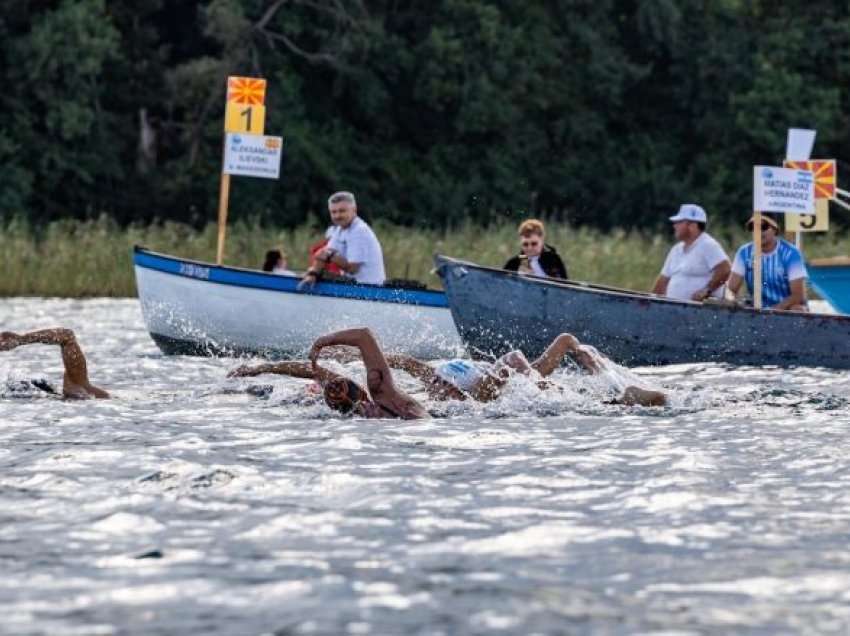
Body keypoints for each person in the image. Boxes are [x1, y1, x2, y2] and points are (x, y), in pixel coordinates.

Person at [229, 330, 666, 410]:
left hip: (497, 378)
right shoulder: (391, 391)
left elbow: (398, 359)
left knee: (557, 345)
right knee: (518, 361)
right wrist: (260, 369)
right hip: (490, 384)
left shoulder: (388, 375)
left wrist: (257, 366)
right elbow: (310, 374)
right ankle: (615, 398)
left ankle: (608, 389)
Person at [230, 327, 427, 419]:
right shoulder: (376, 398)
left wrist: (323, 341)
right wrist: (260, 368)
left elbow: (364, 335)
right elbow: (312, 371)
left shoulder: (395, 403)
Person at [300, 191, 386, 287]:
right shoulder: (340, 229)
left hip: (368, 290)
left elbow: (353, 269)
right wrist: (313, 274)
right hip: (353, 287)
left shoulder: (359, 231)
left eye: (342, 211)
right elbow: (323, 254)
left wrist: (330, 255)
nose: (337, 216)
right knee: (314, 274)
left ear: (354, 210)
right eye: (333, 212)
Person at [727, 213, 808, 311]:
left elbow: (798, 296)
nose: (758, 232)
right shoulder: (744, 252)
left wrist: (771, 312)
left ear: (775, 229)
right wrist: (731, 301)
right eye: (754, 227)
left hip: (785, 309)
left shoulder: (791, 253)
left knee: (797, 309)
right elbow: (731, 289)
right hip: (756, 310)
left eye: (763, 227)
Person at [652, 204, 731, 302]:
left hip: (699, 312)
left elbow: (725, 269)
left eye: (679, 222)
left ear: (693, 226)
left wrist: (706, 290)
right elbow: (663, 280)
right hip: (675, 310)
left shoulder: (708, 245)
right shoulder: (676, 249)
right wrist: (649, 303)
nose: (674, 225)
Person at [0, 329, 109, 399]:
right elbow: (67, 337)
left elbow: (66, 336)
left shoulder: (79, 389)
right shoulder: (79, 388)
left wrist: (21, 340)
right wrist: (21, 339)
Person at [503, 219, 568, 279]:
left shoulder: (553, 259)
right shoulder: (514, 263)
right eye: (525, 244)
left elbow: (565, 285)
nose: (529, 248)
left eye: (534, 244)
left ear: (542, 240)